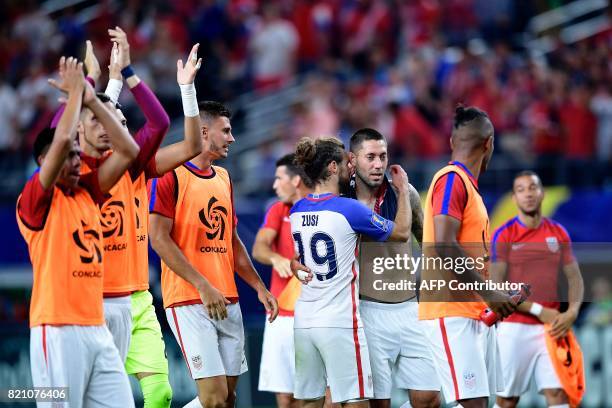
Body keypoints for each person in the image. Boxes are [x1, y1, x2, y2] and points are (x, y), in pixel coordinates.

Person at [78, 28, 205, 407]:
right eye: (109, 119)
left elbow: (191, 145)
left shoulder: (135, 168)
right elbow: (77, 129)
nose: (119, 125)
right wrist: (102, 83)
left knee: (161, 392)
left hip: (137, 298)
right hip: (95, 299)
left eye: (121, 119)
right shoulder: (83, 174)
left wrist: (183, 89)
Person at [16, 57, 139, 407]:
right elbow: (62, 141)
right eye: (68, 156)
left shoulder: (87, 191)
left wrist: (92, 101)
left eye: (76, 156)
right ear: (44, 162)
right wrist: (75, 96)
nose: (75, 161)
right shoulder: (34, 200)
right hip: (56, 329)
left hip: (95, 327)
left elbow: (129, 150)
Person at [149, 101, 279, 408]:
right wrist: (203, 284)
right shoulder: (170, 175)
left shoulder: (223, 177)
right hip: (189, 299)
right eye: (227, 131)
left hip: (228, 299)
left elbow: (232, 241)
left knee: (228, 400)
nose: (232, 138)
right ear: (204, 132)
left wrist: (258, 287)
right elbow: (158, 239)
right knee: (214, 400)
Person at [289, 136, 411, 408]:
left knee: (309, 402)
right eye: (346, 163)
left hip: (304, 319)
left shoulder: (296, 210)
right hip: (340, 321)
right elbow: (401, 232)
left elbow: (296, 259)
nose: (351, 168)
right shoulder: (349, 209)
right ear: (332, 168)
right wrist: (403, 191)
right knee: (355, 401)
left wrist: (293, 266)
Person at [418, 105, 517, 408]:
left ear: (451, 142)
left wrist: (495, 293)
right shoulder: (452, 180)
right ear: (489, 144)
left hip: (470, 312)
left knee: (434, 402)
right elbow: (444, 245)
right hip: (451, 311)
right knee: (474, 404)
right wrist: (489, 292)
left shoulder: (467, 188)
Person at [346, 128, 440, 408]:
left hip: (410, 308)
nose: (378, 164)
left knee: (429, 399)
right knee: (379, 403)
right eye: (370, 157)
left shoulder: (405, 192)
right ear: (353, 159)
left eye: (383, 156)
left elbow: (427, 241)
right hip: (368, 311)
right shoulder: (343, 199)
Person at [491, 171, 584, 408]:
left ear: (542, 193)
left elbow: (575, 278)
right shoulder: (504, 234)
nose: (528, 194)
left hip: (551, 328)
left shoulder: (558, 233)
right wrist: (537, 310)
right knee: (507, 399)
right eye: (521, 190)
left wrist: (572, 312)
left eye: (532, 188)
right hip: (514, 327)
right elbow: (496, 287)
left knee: (557, 394)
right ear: (514, 198)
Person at [252, 153, 313, 407]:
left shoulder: (322, 209)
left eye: (279, 178)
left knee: (312, 395)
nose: (275, 185)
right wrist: (277, 259)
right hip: (281, 317)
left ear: (296, 179)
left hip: (313, 314)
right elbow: (259, 247)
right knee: (285, 398)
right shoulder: (278, 210)